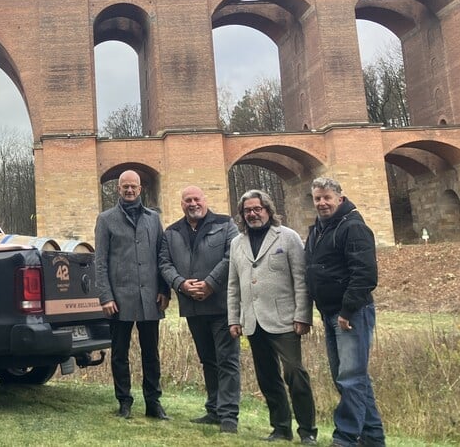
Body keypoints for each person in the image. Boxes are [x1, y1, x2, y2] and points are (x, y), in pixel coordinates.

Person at [228, 190, 317, 444]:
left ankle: (307, 431)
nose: (253, 214)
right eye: (248, 211)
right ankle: (280, 428)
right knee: (267, 377)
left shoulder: (287, 238)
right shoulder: (237, 243)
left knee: (294, 374)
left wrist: (303, 315)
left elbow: (301, 280)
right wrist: (234, 319)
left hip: (285, 320)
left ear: (268, 210)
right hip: (253, 321)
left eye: (258, 209)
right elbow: (233, 285)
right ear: (242, 215)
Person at [305, 177, 385, 447]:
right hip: (330, 312)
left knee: (350, 377)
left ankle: (345, 438)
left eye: (327, 197)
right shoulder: (319, 229)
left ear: (339, 198)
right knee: (350, 377)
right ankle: (373, 438)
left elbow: (364, 274)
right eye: (317, 198)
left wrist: (347, 310)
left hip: (350, 314)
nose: (322, 203)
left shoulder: (353, 227)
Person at [160, 185, 240, 433]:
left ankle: (229, 416)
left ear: (205, 201)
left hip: (221, 305)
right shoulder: (171, 232)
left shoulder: (226, 224)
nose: (192, 204)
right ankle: (214, 409)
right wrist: (181, 284)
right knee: (208, 360)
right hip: (193, 306)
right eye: (187, 200)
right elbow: (164, 263)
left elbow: (232, 256)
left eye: (196, 199)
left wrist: (210, 284)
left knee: (227, 359)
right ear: (181, 204)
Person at [94, 170, 171, 420]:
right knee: (119, 354)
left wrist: (164, 289)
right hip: (119, 298)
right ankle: (124, 402)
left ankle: (153, 402)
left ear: (140, 189)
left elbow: (162, 258)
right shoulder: (106, 220)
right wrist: (105, 296)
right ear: (118, 189)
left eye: (133, 187)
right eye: (125, 186)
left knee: (151, 354)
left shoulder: (153, 219)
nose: (129, 190)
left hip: (150, 298)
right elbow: (100, 262)